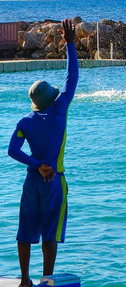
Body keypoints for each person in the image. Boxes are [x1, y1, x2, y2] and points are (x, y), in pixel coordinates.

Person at [7, 19, 78, 287]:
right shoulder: (60, 111)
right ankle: (47, 279)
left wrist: (36, 164)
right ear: (52, 99)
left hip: (32, 182)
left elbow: (12, 150)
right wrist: (70, 43)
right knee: (49, 234)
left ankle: (25, 280)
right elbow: (72, 78)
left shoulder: (25, 122)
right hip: (53, 182)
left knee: (24, 233)